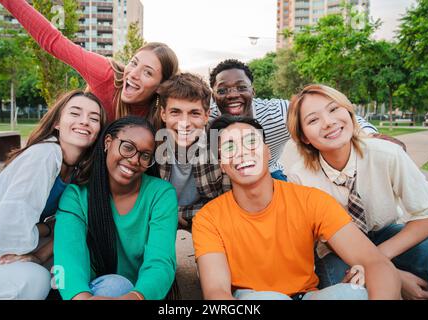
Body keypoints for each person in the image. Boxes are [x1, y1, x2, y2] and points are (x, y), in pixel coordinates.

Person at [192, 115, 401, 300]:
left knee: (352, 294)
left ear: (267, 152)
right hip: (251, 298)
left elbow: (376, 263)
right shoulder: (208, 219)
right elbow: (216, 292)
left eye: (251, 143)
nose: (242, 153)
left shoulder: (310, 200)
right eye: (229, 147)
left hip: (307, 295)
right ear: (221, 163)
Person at [285, 84, 428, 300]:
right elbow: (321, 240)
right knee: (352, 291)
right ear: (304, 137)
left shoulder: (387, 153)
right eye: (313, 120)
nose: (328, 122)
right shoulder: (300, 177)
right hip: (337, 249)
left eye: (334, 109)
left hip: (386, 233)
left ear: (348, 111)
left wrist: (378, 260)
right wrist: (397, 278)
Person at [0, 90, 106, 300]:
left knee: (70, 267)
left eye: (94, 118)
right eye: (75, 113)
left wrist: (40, 254)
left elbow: (72, 226)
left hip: (16, 244)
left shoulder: (80, 170)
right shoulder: (46, 154)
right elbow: (7, 229)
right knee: (36, 280)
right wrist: (46, 229)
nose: (84, 121)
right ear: (57, 123)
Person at [53, 116, 178, 300]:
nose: (134, 160)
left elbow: (161, 262)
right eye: (128, 147)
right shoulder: (77, 195)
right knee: (114, 285)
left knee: (117, 286)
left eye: (144, 156)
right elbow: (68, 258)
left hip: (140, 294)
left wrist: (134, 297)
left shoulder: (161, 194)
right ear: (108, 142)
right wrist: (83, 298)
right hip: (89, 291)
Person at [0, 0, 179, 122]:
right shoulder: (107, 74)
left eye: (147, 72)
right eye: (134, 63)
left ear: (161, 86)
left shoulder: (164, 112)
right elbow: (53, 40)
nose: (133, 74)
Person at [209, 59, 378, 181]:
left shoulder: (277, 112)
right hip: (220, 176)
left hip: (268, 173)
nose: (232, 95)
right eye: (223, 90)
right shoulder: (205, 116)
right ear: (213, 95)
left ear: (253, 91)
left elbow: (331, 114)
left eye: (241, 87)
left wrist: (371, 136)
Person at [153, 72, 231, 229]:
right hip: (159, 216)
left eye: (194, 113)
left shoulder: (221, 146)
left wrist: (180, 214)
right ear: (163, 114)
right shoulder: (151, 144)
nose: (184, 123)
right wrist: (168, 213)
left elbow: (227, 203)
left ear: (206, 116)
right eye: (175, 112)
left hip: (205, 219)